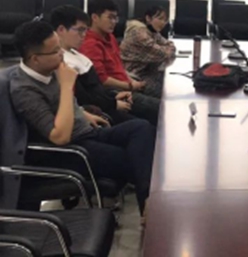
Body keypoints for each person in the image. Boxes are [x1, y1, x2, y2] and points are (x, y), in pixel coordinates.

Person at [9, 21, 155, 217]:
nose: (62, 54)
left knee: (141, 128)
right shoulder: (24, 89)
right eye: (55, 51)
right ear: (35, 59)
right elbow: (59, 137)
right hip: (69, 150)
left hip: (87, 133)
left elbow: (61, 105)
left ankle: (148, 205)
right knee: (135, 159)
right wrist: (67, 86)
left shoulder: (49, 70)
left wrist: (83, 112)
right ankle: (150, 209)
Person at [50, 5, 158, 125]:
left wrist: (113, 96)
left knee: (156, 113)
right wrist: (113, 102)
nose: (84, 34)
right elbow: (83, 98)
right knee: (149, 121)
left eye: (85, 30)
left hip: (109, 98)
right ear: (61, 30)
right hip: (100, 111)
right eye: (80, 30)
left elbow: (96, 88)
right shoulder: (62, 62)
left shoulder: (76, 53)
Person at [80, 0, 160, 126]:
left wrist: (132, 81)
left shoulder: (110, 37)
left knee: (165, 91)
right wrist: (129, 86)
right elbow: (103, 80)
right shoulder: (90, 44)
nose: (114, 22)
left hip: (128, 83)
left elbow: (119, 66)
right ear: (94, 17)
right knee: (162, 108)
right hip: (116, 92)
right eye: (110, 17)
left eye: (116, 18)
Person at [120, 6, 175, 98]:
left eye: (165, 20)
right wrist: (166, 50)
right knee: (167, 92)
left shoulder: (151, 30)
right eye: (160, 18)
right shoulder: (139, 33)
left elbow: (170, 44)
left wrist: (166, 49)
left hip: (146, 71)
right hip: (133, 76)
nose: (163, 23)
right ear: (148, 18)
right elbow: (162, 53)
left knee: (170, 82)